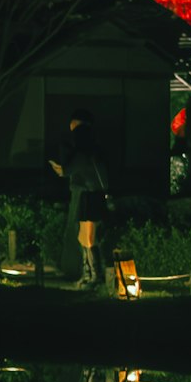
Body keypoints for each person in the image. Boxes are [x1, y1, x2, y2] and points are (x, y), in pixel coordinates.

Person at [52, 115, 112, 287]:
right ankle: (89, 274)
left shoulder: (83, 153)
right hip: (91, 196)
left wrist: (60, 169)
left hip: (90, 196)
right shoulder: (92, 151)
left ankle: (94, 276)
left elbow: (68, 170)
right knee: (84, 237)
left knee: (88, 238)